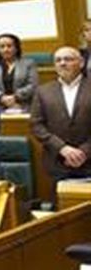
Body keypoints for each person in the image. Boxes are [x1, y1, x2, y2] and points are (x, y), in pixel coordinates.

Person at [29, 47, 91, 191]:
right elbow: (36, 125)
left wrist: (84, 152)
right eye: (58, 60)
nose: (62, 63)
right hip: (57, 163)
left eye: (68, 59)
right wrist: (62, 148)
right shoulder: (43, 91)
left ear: (81, 63)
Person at [0, 33, 39, 114]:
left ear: (16, 48)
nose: (6, 49)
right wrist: (1, 97)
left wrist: (15, 97)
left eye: (9, 46)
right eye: (2, 47)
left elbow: (33, 85)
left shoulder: (28, 63)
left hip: (24, 105)